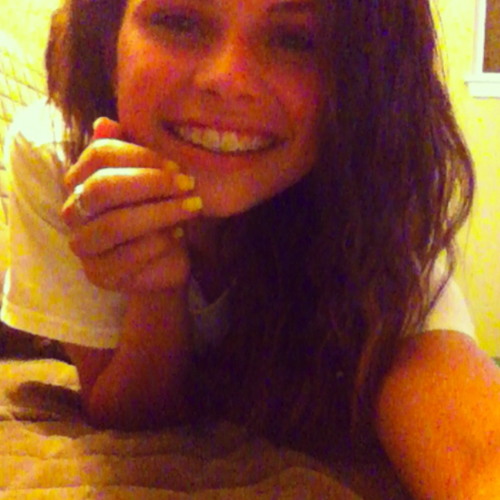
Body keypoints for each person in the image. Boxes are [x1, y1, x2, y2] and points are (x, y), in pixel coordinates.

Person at [1, 0, 499, 497]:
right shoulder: (57, 155)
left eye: (296, 40)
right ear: (109, 42)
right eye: (179, 22)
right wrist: (155, 291)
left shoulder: (378, 190)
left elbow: (467, 436)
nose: (228, 79)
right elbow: (124, 410)